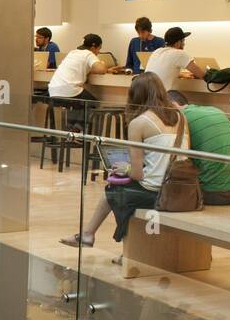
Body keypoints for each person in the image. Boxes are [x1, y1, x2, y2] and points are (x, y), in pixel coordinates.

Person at [61, 72, 187, 249]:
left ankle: (91, 236)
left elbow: (137, 174)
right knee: (119, 191)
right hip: (179, 188)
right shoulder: (181, 118)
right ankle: (90, 236)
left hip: (155, 191)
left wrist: (125, 168)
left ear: (134, 96)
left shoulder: (139, 122)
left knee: (113, 191)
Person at [168, 91, 230, 205]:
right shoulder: (215, 110)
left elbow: (173, 160)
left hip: (212, 193)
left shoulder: (181, 118)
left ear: (172, 105)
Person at [47, 33, 109, 103]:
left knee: (76, 105)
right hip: (69, 91)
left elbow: (81, 68)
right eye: (99, 49)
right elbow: (101, 69)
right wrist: (103, 64)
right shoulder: (89, 54)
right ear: (93, 48)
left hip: (53, 91)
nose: (99, 52)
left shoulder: (72, 53)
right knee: (95, 105)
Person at [145, 27, 208, 92]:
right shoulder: (179, 53)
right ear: (178, 43)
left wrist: (181, 74)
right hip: (157, 98)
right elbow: (202, 75)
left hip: (143, 95)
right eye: (183, 41)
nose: (184, 44)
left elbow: (163, 71)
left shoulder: (157, 51)